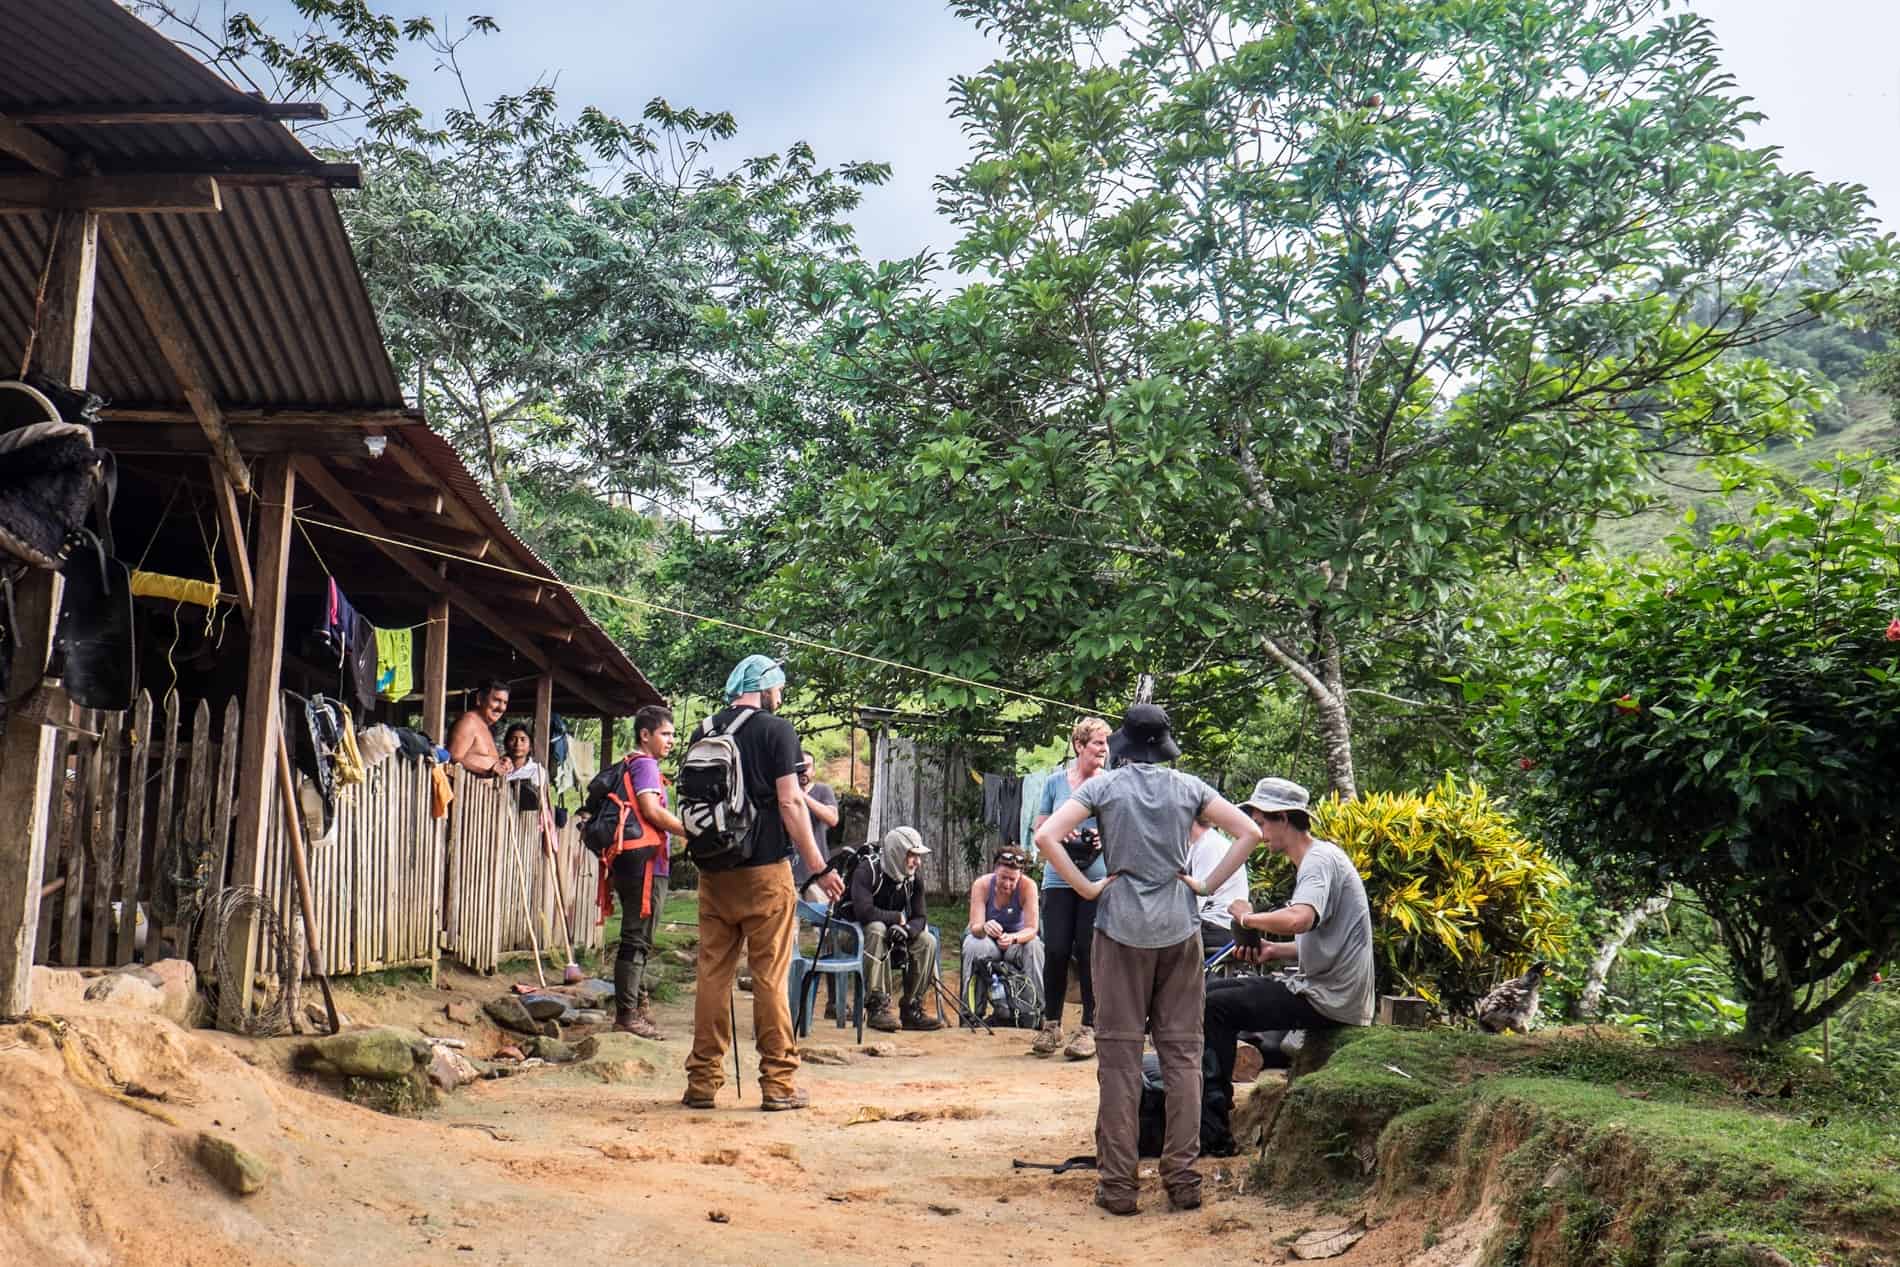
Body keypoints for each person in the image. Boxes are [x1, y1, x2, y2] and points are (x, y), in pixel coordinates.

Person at [1035, 703, 1259, 1217]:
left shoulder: (1103, 788)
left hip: (1118, 931)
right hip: (1180, 931)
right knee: (1183, 1060)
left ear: (1123, 747)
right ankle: (1183, 1182)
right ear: (1164, 745)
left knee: (1119, 1061)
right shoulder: (1188, 787)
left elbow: (1046, 835)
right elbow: (1249, 831)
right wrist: (1205, 885)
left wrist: (1088, 887)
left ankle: (1118, 1188)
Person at [683, 654, 844, 1113]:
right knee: (769, 976)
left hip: (714, 872)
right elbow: (791, 803)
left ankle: (702, 1081)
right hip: (765, 872)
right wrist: (818, 867)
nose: (781, 695)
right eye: (780, 687)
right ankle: (778, 1084)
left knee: (712, 975)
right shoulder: (777, 731)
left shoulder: (703, 731)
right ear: (767, 687)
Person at [1201, 777, 1375, 1156]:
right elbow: (1323, 938)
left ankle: (1212, 1130)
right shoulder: (1319, 858)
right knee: (1212, 993)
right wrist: (1272, 951)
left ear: (1284, 819)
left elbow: (1299, 919)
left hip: (1329, 998)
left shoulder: (1317, 861)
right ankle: (1211, 1115)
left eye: (1262, 823)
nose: (1259, 834)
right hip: (1328, 988)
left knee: (1215, 1006)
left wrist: (1248, 919)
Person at [1031, 716, 1112, 1060]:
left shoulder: (1111, 784)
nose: (1104, 750)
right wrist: (1061, 832)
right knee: (1057, 950)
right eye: (1097, 743)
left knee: (1091, 949)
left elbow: (1120, 829)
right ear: (1079, 745)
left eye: (1106, 744)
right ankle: (1051, 1025)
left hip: (1097, 878)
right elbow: (1039, 826)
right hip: (1059, 878)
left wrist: (1098, 837)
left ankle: (1090, 1028)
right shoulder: (1054, 783)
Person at [612, 705, 685, 1040]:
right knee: (637, 937)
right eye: (665, 733)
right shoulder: (645, 766)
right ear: (645, 734)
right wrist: (690, 831)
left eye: (672, 733)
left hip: (638, 863)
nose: (671, 740)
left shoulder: (635, 764)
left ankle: (637, 1007)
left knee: (639, 936)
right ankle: (627, 1015)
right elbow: (651, 810)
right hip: (646, 866)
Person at [845, 826, 946, 1033]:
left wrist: (907, 930)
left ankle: (911, 1009)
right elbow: (864, 912)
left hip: (889, 934)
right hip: (852, 936)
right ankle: (877, 1006)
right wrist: (897, 919)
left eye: (918, 856)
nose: (917, 862)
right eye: (912, 855)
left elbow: (920, 917)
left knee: (927, 941)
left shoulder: (913, 878)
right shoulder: (867, 870)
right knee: (876, 928)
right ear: (896, 853)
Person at [961, 845, 1044, 1001]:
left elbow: (1032, 929)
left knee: (1035, 946)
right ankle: (971, 1013)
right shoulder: (982, 885)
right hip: (988, 942)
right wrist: (985, 927)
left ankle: (1036, 1010)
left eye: (1013, 879)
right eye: (1003, 877)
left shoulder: (1028, 886)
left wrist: (1012, 938)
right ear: (995, 871)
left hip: (1016, 943)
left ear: (1020, 875)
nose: (1007, 884)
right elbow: (974, 927)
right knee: (973, 944)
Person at [1186, 816, 1249, 951]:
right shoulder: (1198, 845)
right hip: (1209, 922)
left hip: (1218, 925)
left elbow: (1197, 902)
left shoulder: (1209, 845)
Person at [791, 750, 839, 888]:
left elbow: (833, 819)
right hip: (789, 872)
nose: (803, 771)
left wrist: (802, 796)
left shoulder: (823, 790)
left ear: (814, 771)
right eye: (799, 767)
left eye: (807, 767)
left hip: (819, 873)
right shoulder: (784, 794)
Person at [447, 679, 511, 775]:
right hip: (464, 788)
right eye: (497, 700)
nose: (501, 708)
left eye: (505, 703)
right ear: (480, 699)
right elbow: (452, 758)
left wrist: (501, 763)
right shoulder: (468, 722)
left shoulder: (484, 727)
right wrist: (485, 772)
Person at [501, 723, 543, 811]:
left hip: (523, 820)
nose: (518, 744)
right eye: (513, 739)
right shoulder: (499, 766)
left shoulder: (536, 770)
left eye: (523, 740)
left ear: (530, 746)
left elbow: (534, 798)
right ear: (506, 744)